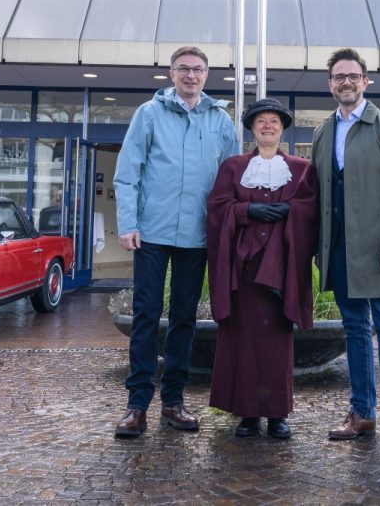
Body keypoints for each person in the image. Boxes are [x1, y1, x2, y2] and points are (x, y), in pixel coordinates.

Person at [112, 47, 235, 438]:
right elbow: (127, 173)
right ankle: (136, 405)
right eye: (184, 68)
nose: (191, 75)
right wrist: (128, 222)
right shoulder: (149, 114)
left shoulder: (220, 120)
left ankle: (174, 401)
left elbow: (230, 180)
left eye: (198, 69)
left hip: (198, 237)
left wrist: (226, 231)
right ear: (171, 73)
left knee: (184, 318)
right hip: (152, 232)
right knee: (146, 315)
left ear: (206, 76)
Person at [309, 48, 380, 454]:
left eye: (353, 76)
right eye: (339, 77)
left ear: (365, 82)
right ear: (330, 84)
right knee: (355, 332)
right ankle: (362, 413)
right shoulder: (323, 132)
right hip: (339, 250)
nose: (345, 82)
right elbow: (317, 195)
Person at [205, 98, 318, 439]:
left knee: (277, 342)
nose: (267, 126)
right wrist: (247, 212)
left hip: (281, 268)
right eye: (260, 121)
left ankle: (277, 413)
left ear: (282, 128)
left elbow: (311, 210)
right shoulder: (233, 167)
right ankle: (248, 414)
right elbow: (217, 208)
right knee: (242, 339)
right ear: (252, 129)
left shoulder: (301, 169)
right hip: (244, 267)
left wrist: (290, 212)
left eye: (274, 121)